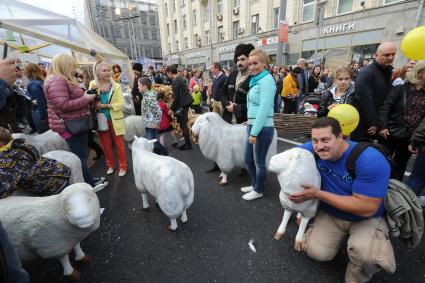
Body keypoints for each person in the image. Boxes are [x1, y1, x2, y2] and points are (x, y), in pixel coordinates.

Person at [291, 117, 395, 283]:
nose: (319, 146)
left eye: (325, 139)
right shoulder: (312, 149)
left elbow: (367, 207)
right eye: (315, 140)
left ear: (341, 137)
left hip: (366, 217)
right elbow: (287, 158)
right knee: (317, 252)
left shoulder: (370, 160)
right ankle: (325, 236)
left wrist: (318, 194)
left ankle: (355, 276)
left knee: (367, 256)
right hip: (332, 213)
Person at [44, 53, 104, 189]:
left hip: (73, 123)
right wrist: (86, 99)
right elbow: (63, 105)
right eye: (72, 65)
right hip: (71, 125)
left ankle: (87, 179)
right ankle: (89, 185)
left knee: (81, 155)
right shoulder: (57, 81)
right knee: (80, 157)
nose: (74, 68)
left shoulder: (59, 79)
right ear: (65, 65)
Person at [241, 48, 276, 201]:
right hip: (253, 124)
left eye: (255, 63)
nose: (252, 67)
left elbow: (264, 108)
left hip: (263, 127)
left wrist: (254, 131)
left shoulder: (267, 80)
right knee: (248, 159)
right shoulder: (257, 79)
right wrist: (249, 121)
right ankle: (255, 183)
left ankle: (258, 190)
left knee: (259, 162)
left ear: (264, 64)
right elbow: (254, 107)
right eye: (250, 64)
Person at [0, 127, 71, 198]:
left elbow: (5, 187)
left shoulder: (8, 159)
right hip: (60, 171)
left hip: (52, 185)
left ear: (1, 144)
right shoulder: (18, 145)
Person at [352, 42, 397, 141]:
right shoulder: (366, 73)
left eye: (393, 54)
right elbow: (364, 100)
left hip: (379, 122)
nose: (390, 57)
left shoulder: (386, 71)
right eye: (387, 55)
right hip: (366, 125)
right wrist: (373, 122)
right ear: (376, 55)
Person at [89, 62, 127, 177]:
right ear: (97, 72)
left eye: (108, 70)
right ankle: (110, 165)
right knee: (106, 145)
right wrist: (93, 99)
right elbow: (89, 101)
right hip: (101, 120)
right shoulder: (93, 84)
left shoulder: (116, 86)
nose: (108, 72)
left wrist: (105, 106)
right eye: (104, 71)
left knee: (119, 145)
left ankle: (122, 166)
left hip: (115, 119)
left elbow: (121, 104)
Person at [220, 43, 255, 124]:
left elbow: (256, 103)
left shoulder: (254, 77)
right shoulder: (233, 74)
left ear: (250, 59)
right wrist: (227, 103)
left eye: (242, 59)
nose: (239, 62)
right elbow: (222, 92)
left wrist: (236, 108)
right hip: (228, 120)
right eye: (238, 60)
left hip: (244, 121)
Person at [404, 61, 425, 195]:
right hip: (403, 132)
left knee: (417, 179)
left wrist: (415, 140)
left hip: (419, 140)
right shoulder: (407, 88)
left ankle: (408, 210)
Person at [166, 64, 194, 150]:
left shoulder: (175, 81)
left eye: (167, 73)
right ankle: (188, 143)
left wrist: (171, 109)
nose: (167, 75)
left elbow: (177, 98)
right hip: (185, 103)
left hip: (182, 104)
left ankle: (188, 144)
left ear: (170, 72)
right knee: (183, 124)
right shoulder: (179, 78)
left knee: (183, 125)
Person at [24, 63, 49, 133]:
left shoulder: (32, 84)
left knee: (44, 134)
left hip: (39, 112)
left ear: (28, 72)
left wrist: (42, 116)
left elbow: (39, 101)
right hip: (46, 110)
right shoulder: (42, 81)